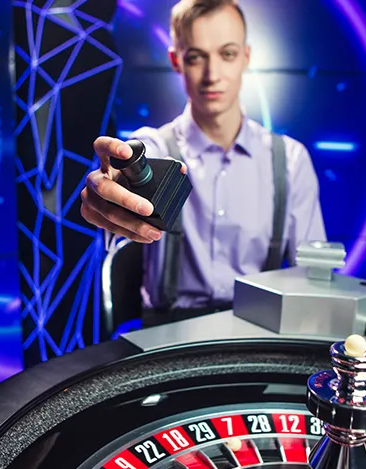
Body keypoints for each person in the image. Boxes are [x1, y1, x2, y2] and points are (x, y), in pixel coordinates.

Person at [80, 0, 326, 323]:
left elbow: (315, 278)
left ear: (245, 58)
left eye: (227, 54)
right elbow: (123, 168)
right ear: (176, 61)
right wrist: (108, 187)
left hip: (259, 334)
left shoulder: (291, 162)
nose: (213, 75)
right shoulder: (156, 148)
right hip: (166, 339)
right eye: (196, 57)